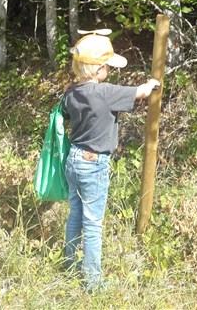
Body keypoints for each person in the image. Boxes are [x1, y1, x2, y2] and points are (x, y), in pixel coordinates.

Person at [61, 30, 160, 292]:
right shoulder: (104, 91)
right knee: (93, 223)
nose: (108, 72)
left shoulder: (71, 93)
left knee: (75, 214)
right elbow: (139, 93)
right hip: (94, 164)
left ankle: (69, 264)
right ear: (98, 69)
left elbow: (64, 108)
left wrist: (69, 90)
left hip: (73, 160)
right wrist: (151, 85)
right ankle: (93, 283)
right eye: (106, 67)